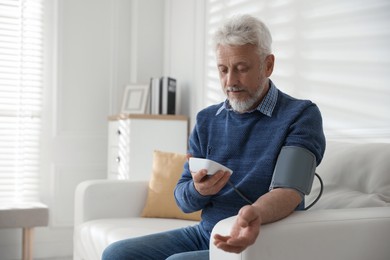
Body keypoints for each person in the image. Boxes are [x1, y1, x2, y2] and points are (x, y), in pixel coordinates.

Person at [102, 14, 325, 260]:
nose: (230, 81)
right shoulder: (207, 120)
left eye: (242, 69)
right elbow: (184, 200)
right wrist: (199, 189)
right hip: (207, 233)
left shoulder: (301, 115)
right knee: (117, 254)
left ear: (268, 65)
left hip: (263, 237)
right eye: (223, 70)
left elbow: (290, 190)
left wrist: (254, 214)